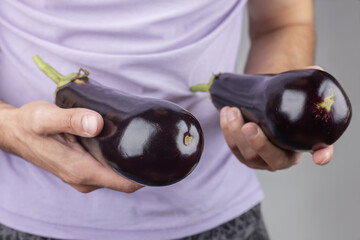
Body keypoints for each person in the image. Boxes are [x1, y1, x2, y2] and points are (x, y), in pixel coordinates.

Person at [0, 0, 332, 239]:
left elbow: (283, 22)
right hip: (26, 222)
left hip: (218, 214)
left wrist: (270, 109)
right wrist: (10, 128)